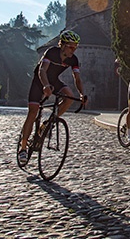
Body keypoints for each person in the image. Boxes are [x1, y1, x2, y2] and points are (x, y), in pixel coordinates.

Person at [18, 30, 86, 164]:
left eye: (76, 47)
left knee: (69, 96)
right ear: (63, 45)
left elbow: (77, 78)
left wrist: (82, 94)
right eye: (71, 46)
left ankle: (49, 123)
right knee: (33, 112)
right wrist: (45, 86)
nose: (74, 50)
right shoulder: (51, 52)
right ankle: (23, 148)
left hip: (54, 80)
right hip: (39, 80)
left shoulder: (74, 59)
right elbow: (42, 70)